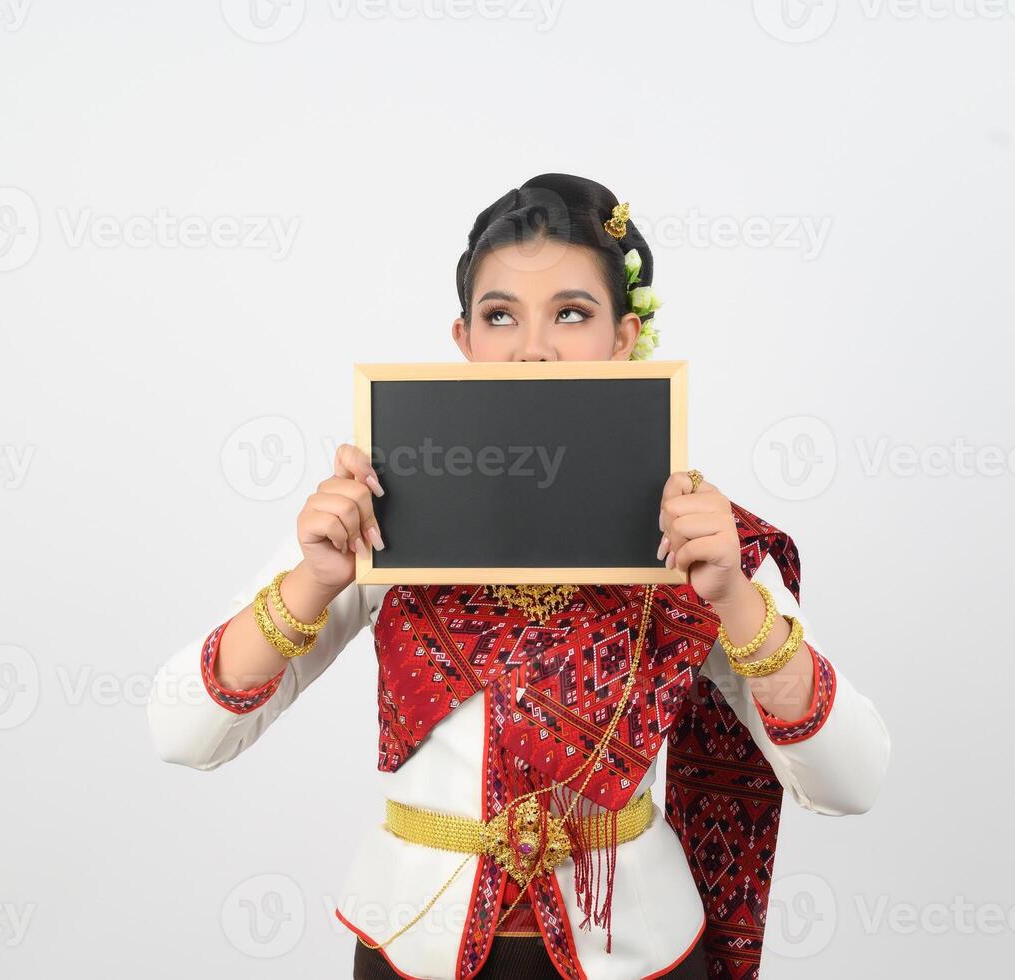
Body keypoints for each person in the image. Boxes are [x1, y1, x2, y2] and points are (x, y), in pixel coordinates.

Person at [147, 174, 892, 980]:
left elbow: (852, 780)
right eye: (500, 316)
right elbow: (181, 734)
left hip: (635, 954)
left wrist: (735, 601)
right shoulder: (384, 514)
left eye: (570, 314)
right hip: (412, 949)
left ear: (622, 337)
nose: (532, 348)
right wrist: (317, 580)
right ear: (464, 340)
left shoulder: (696, 535)